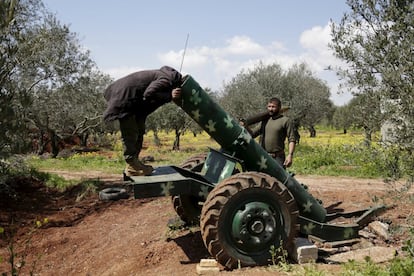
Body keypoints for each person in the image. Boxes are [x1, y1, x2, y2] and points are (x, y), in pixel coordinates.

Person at [103, 65, 182, 176]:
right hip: (125, 99)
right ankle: (132, 164)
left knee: (139, 130)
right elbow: (149, 93)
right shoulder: (166, 79)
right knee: (131, 132)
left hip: (128, 99)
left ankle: (134, 165)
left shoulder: (161, 76)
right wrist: (170, 96)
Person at [249, 97, 297, 169]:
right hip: (263, 157)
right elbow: (252, 134)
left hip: (278, 158)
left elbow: (292, 139)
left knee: (278, 179)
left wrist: (290, 155)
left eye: (273, 107)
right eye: (269, 106)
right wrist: (245, 126)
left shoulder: (285, 121)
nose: (270, 109)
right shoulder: (264, 121)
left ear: (279, 107)